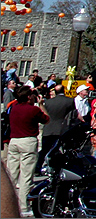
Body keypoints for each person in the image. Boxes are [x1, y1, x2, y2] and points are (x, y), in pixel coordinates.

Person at [7, 85, 48, 215]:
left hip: (14, 140)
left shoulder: (13, 108)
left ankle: (7, 202)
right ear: (29, 97)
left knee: (11, 175)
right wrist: (41, 104)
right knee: (25, 176)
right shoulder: (33, 110)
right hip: (28, 140)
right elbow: (46, 119)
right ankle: (23, 206)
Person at [38, 84, 75, 172]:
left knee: (45, 150)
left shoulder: (48, 102)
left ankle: (38, 167)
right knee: (61, 150)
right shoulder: (70, 101)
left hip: (48, 128)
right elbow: (73, 115)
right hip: (61, 129)